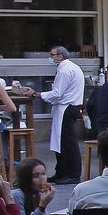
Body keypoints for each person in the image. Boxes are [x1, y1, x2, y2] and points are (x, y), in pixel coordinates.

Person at [40, 46, 86, 184]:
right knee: (61, 142)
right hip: (67, 107)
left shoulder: (65, 70)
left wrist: (39, 94)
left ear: (60, 56)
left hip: (66, 107)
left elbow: (57, 93)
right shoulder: (68, 68)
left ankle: (72, 174)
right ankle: (61, 171)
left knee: (67, 142)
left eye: (52, 55)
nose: (51, 58)